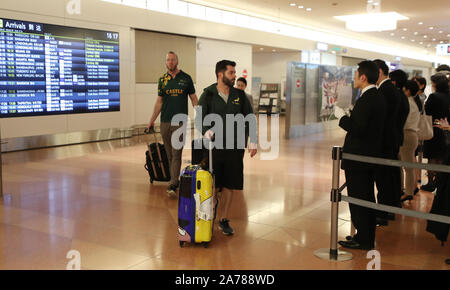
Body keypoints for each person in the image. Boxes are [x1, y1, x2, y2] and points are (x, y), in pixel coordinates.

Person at [196, 60, 258, 236]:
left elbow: (249, 118)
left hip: (235, 146)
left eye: (234, 73)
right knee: (214, 184)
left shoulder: (239, 94)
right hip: (214, 147)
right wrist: (205, 130)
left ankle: (224, 219)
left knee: (230, 184)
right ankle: (210, 213)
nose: (234, 76)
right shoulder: (207, 95)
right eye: (231, 73)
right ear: (220, 74)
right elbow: (199, 118)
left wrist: (252, 139)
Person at [338, 61, 387, 250]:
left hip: (360, 158)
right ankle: (363, 235)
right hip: (366, 157)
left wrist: (342, 118)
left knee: (360, 198)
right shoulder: (375, 96)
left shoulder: (369, 98)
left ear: (363, 77)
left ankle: (364, 239)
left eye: (356, 74)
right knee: (364, 196)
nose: (354, 78)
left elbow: (358, 129)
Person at [147, 51, 198, 198]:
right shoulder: (162, 80)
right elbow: (159, 102)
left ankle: (173, 183)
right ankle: (173, 179)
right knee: (169, 154)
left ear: (177, 61)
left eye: (172, 60)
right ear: (166, 62)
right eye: (168, 60)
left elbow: (193, 98)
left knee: (176, 153)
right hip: (165, 121)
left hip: (180, 121)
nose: (170, 62)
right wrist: (151, 119)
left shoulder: (186, 78)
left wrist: (199, 114)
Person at [372, 61, 408, 226]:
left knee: (384, 178)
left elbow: (382, 120)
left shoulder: (385, 91)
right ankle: (392, 207)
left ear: (379, 71)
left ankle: (383, 212)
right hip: (393, 139)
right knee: (391, 176)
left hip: (385, 141)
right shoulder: (395, 92)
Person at [421, 73, 450, 192]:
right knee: (442, 157)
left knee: (432, 157)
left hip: (433, 129)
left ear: (436, 84)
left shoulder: (433, 97)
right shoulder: (448, 96)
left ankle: (431, 182)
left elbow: (427, 111)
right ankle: (439, 182)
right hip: (445, 129)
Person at [399, 80, 421, 202]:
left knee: (407, 166)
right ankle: (409, 189)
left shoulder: (407, 103)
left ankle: (408, 192)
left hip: (407, 134)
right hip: (412, 135)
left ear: (407, 90)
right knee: (409, 165)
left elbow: (404, 121)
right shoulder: (414, 103)